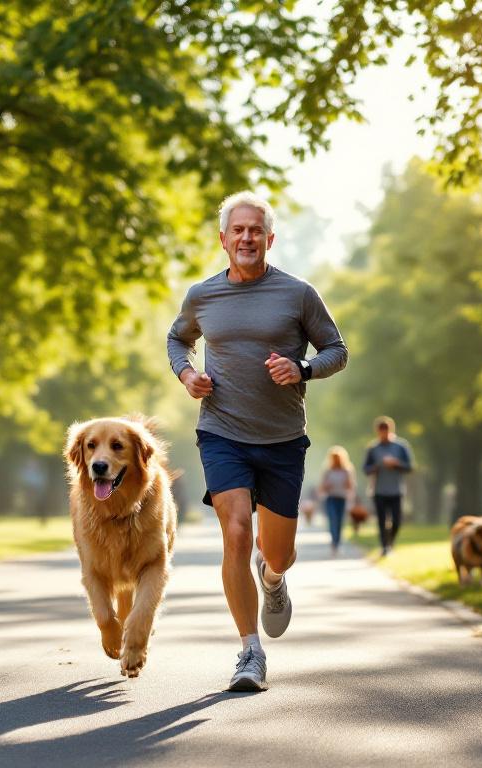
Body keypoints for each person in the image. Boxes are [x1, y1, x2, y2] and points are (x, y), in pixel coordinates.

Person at [166, 190, 348, 692]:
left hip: (283, 438)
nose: (246, 238)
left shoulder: (297, 294)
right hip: (221, 431)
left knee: (277, 551)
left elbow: (337, 349)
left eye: (255, 230)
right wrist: (187, 375)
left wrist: (304, 367)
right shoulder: (203, 295)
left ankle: (272, 577)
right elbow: (177, 338)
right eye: (237, 230)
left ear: (269, 238)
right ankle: (249, 652)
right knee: (237, 533)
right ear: (223, 239)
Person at [363, 416, 413, 556]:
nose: (383, 433)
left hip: (396, 490)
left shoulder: (401, 447)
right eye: (381, 431)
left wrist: (396, 464)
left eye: (386, 430)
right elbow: (366, 469)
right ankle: (384, 547)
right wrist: (378, 465)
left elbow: (409, 467)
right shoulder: (373, 448)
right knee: (381, 521)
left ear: (391, 430)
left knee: (396, 521)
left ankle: (390, 540)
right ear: (377, 431)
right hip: (378, 491)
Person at [318, 446, 356, 557]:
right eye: (334, 458)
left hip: (342, 498)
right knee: (333, 520)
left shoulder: (347, 470)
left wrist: (347, 483)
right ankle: (334, 543)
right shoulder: (327, 471)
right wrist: (326, 485)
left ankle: (337, 543)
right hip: (331, 498)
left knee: (339, 522)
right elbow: (321, 488)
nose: (336, 460)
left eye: (337, 458)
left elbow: (351, 486)